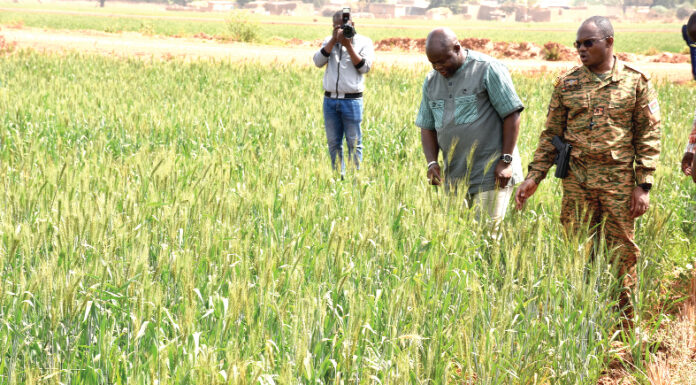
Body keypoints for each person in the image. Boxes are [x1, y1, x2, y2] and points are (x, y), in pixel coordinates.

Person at [515, 16, 661, 308]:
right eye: (577, 44)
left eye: (588, 43)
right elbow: (551, 136)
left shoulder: (635, 82)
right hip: (577, 183)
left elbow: (649, 134)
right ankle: (583, 316)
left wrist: (643, 184)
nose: (581, 49)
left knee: (623, 254)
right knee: (578, 253)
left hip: (618, 183)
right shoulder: (567, 84)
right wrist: (535, 176)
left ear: (609, 42)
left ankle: (624, 321)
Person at [415, 27, 524, 223]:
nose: (438, 67)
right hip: (455, 178)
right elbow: (427, 126)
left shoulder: (487, 69)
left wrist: (506, 162)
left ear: (457, 48)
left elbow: (512, 114)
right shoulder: (431, 81)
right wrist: (432, 163)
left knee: (486, 238)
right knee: (459, 241)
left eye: (442, 61)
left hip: (492, 174)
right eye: (433, 63)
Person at [313, 10, 374, 177]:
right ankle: (338, 179)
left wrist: (348, 46)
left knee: (354, 144)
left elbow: (364, 67)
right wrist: (333, 40)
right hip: (330, 101)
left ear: (352, 24)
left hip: (352, 101)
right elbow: (318, 61)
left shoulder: (364, 42)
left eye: (344, 26)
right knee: (333, 143)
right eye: (336, 27)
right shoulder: (329, 41)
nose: (340, 30)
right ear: (333, 27)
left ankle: (355, 181)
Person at [682, 12, 696, 81]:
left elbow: (684, 27)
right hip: (691, 31)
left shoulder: (693, 14)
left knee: (694, 53)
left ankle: (695, 75)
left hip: (689, 31)